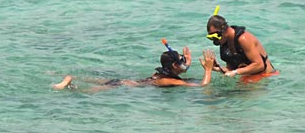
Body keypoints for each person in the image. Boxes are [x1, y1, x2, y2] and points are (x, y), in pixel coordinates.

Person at [52, 46, 216, 91]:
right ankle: (68, 82)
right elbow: (202, 86)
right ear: (174, 65)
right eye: (181, 60)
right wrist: (207, 70)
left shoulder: (160, 74)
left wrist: (186, 62)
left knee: (94, 81)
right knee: (83, 93)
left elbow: (181, 70)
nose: (184, 63)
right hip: (121, 86)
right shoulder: (167, 80)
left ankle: (69, 78)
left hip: (124, 82)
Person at [205, 14, 277, 81]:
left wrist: (236, 72)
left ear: (223, 30)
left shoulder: (243, 39)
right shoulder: (224, 41)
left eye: (215, 36)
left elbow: (259, 65)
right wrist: (215, 68)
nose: (215, 41)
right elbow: (231, 70)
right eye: (211, 38)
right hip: (249, 78)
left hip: (266, 75)